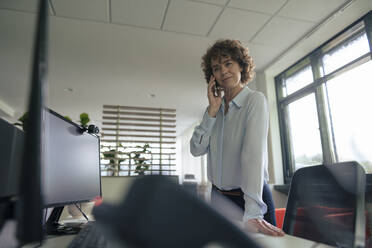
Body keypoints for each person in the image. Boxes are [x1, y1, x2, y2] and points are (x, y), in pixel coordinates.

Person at [190, 39, 284, 236]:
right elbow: (196, 149)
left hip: (250, 200)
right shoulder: (213, 111)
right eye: (216, 68)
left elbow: (253, 157)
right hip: (219, 199)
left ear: (241, 65)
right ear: (212, 76)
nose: (223, 71)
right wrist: (212, 112)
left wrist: (253, 212)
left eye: (228, 63)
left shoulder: (254, 101)